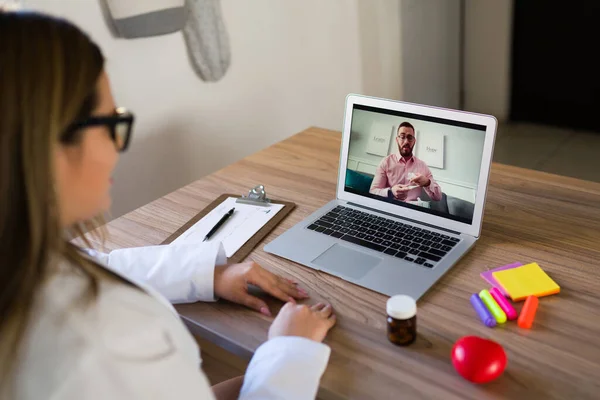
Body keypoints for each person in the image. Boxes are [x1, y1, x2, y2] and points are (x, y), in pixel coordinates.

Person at [0, 10, 336, 400]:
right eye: (109, 124)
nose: (115, 147)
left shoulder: (20, 263)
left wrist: (208, 274)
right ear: (44, 146)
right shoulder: (105, 347)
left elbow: (92, 265)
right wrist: (288, 352)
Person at [369, 121, 442, 203]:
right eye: (402, 137)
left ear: (414, 141)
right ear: (397, 140)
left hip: (412, 211)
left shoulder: (422, 166)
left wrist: (427, 182)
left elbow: (438, 197)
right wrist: (391, 192)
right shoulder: (386, 162)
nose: (406, 141)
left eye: (410, 138)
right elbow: (373, 191)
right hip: (389, 207)